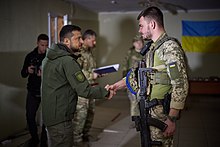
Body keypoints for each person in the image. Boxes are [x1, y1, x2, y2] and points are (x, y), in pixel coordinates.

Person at [107, 6, 188, 147]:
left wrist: (172, 118)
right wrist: (116, 86)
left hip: (161, 113)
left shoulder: (169, 47)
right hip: (149, 110)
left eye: (141, 26)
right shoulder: (151, 49)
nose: (139, 30)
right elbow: (136, 75)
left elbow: (180, 84)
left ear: (152, 24)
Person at [41, 25, 114, 147]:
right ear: (66, 41)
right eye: (78, 39)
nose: (81, 42)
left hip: (51, 115)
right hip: (61, 118)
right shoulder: (67, 61)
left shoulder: (49, 58)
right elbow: (84, 90)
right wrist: (105, 92)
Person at [72, 29, 100, 146]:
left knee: (90, 114)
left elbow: (89, 68)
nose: (95, 43)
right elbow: (76, 72)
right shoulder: (79, 53)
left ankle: (85, 136)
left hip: (91, 88)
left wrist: (97, 73)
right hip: (82, 91)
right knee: (80, 117)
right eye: (93, 41)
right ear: (87, 39)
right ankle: (76, 141)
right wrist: (91, 75)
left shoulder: (89, 52)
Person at [21, 34, 49, 147]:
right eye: (42, 45)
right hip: (33, 91)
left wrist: (45, 74)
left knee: (47, 118)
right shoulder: (30, 56)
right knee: (29, 116)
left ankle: (44, 141)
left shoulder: (50, 57)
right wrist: (28, 70)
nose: (44, 48)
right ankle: (34, 138)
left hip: (46, 91)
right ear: (37, 43)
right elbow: (22, 74)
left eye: (46, 45)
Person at [121, 36, 144, 121]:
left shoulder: (146, 53)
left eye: (140, 42)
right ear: (133, 43)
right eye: (136, 42)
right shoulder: (130, 53)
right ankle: (136, 119)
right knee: (133, 100)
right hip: (132, 79)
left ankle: (143, 118)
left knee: (142, 100)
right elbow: (124, 66)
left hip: (143, 80)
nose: (138, 44)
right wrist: (125, 80)